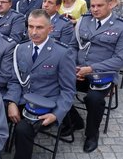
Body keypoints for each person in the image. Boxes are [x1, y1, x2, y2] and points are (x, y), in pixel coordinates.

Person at [6, 9, 76, 159]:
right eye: (30, 27)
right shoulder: (21, 49)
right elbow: (14, 80)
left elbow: (68, 90)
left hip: (45, 105)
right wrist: (11, 102)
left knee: (22, 129)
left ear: (50, 29)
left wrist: (56, 115)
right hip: (21, 100)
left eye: (39, 27)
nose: (33, 32)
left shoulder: (62, 53)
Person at [67, 0, 123, 153]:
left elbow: (120, 59)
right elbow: (72, 46)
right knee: (52, 84)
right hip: (78, 70)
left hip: (102, 75)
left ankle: (92, 134)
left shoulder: (120, 26)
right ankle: (74, 121)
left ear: (111, 5)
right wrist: (73, 66)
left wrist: (90, 69)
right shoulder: (84, 21)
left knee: (93, 99)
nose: (95, 9)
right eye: (92, 5)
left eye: (100, 5)